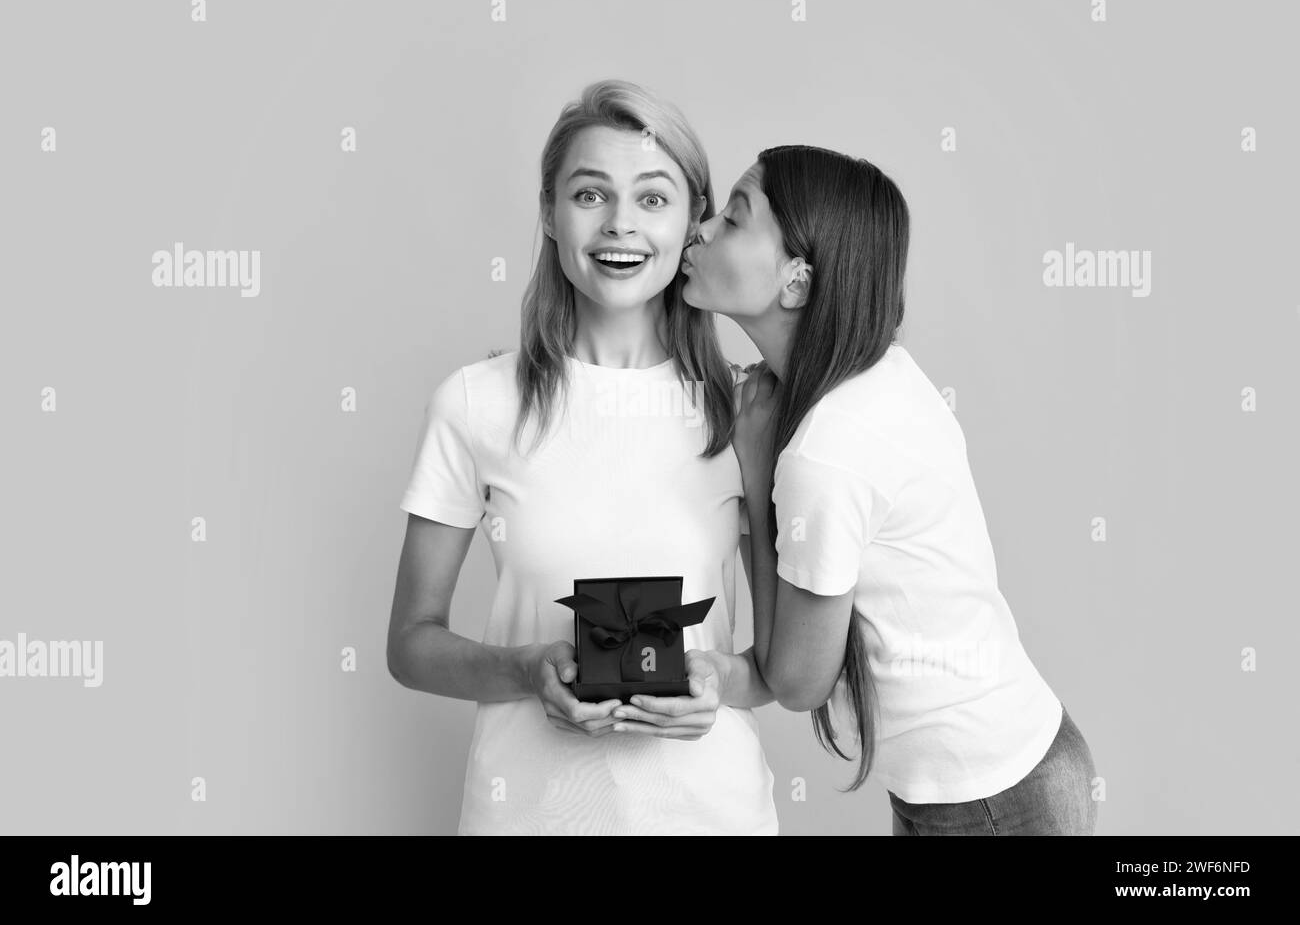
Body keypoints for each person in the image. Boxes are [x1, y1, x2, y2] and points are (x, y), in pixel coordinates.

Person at [387, 79, 779, 835]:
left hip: (712, 814)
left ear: (696, 224)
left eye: (654, 199)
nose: (620, 226)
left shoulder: (745, 412)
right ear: (548, 212)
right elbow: (410, 645)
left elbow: (783, 669)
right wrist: (526, 670)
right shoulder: (476, 404)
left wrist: (721, 680)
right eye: (590, 195)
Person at [681, 144, 1097, 835]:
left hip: (992, 801)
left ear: (795, 282)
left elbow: (795, 681)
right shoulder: (873, 374)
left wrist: (758, 479)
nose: (704, 228)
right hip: (1003, 773)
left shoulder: (827, 452)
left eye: (735, 216)